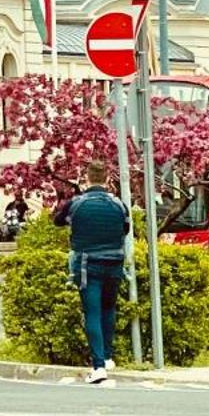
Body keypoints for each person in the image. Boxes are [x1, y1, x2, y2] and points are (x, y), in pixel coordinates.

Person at [54, 159, 130, 383]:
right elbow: (125, 229)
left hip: (88, 264)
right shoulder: (118, 204)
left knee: (92, 312)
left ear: (86, 178)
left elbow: (58, 221)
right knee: (109, 309)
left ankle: (98, 366)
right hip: (114, 262)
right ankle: (107, 356)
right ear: (107, 178)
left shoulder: (77, 204)